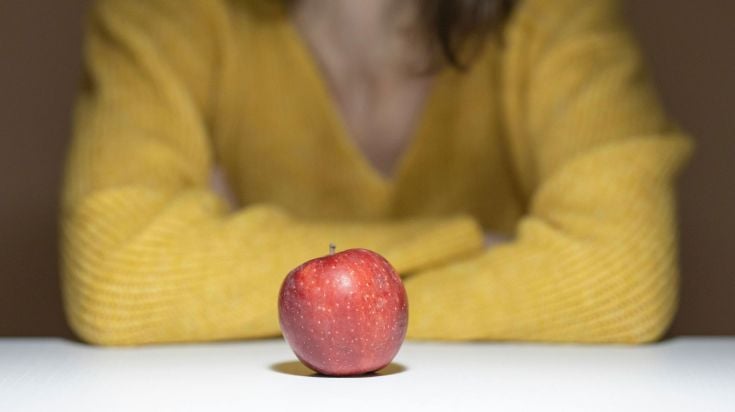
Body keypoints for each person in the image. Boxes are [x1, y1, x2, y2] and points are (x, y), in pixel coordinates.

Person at [61, 0, 694, 346]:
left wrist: (226, 266)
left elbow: (622, 277)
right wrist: (478, 248)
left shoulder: (557, 16)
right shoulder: (161, 14)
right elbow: (119, 271)